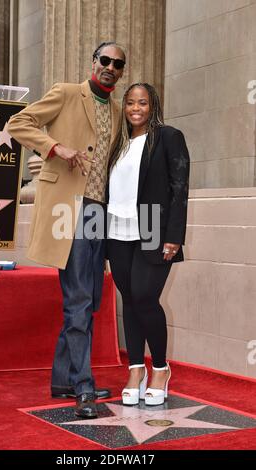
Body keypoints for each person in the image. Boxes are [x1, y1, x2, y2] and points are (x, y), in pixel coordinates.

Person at [8, 42, 126, 418]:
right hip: (68, 211)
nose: (110, 67)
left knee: (87, 298)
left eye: (117, 64)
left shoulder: (120, 110)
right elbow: (18, 123)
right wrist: (56, 148)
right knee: (78, 300)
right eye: (105, 60)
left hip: (98, 214)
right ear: (94, 63)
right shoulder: (66, 93)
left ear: (121, 72)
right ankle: (83, 387)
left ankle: (63, 379)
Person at [107, 83, 190, 406]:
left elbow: (179, 188)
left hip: (154, 229)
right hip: (115, 230)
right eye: (130, 103)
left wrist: (174, 235)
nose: (135, 108)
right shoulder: (118, 143)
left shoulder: (169, 137)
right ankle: (135, 369)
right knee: (128, 299)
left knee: (145, 296)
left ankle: (160, 368)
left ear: (152, 105)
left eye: (142, 102)